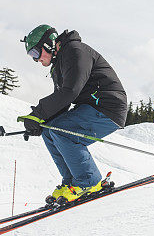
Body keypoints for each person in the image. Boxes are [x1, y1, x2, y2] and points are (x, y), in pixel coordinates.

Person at [18, 24, 128, 205]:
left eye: (35, 54)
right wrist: (41, 122)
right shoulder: (59, 63)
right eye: (31, 56)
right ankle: (71, 182)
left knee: (62, 132)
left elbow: (70, 91)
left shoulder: (75, 52)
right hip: (91, 107)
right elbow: (63, 103)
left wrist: (39, 113)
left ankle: (87, 182)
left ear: (48, 45)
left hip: (108, 106)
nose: (35, 60)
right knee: (49, 132)